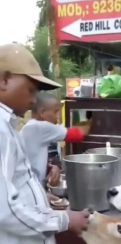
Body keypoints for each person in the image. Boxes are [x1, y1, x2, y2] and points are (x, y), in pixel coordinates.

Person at [0, 43, 89, 244]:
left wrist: (39, 196)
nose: (34, 100)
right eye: (31, 90)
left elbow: (14, 184)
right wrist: (64, 220)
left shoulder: (9, 126)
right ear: (4, 80)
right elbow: (4, 211)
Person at [21, 92, 92, 187]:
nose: (58, 117)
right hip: (32, 185)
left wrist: (50, 167)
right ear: (42, 113)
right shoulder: (41, 127)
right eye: (56, 112)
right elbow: (78, 134)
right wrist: (94, 119)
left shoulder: (30, 127)